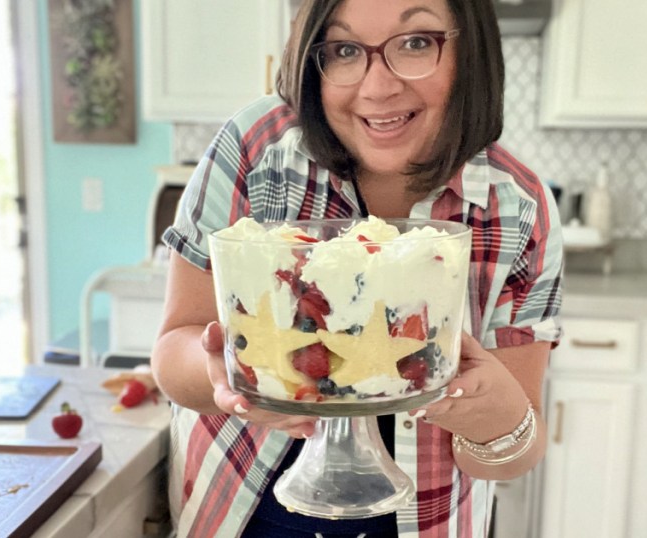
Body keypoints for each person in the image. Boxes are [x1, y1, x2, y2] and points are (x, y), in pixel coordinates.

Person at [152, 0, 563, 536]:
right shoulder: (257, 149)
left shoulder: (518, 208)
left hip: (425, 520)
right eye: (344, 50)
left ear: (471, 51)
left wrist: (500, 417)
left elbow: (507, 457)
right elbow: (173, 352)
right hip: (239, 509)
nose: (377, 87)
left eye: (417, 42)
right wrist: (227, 378)